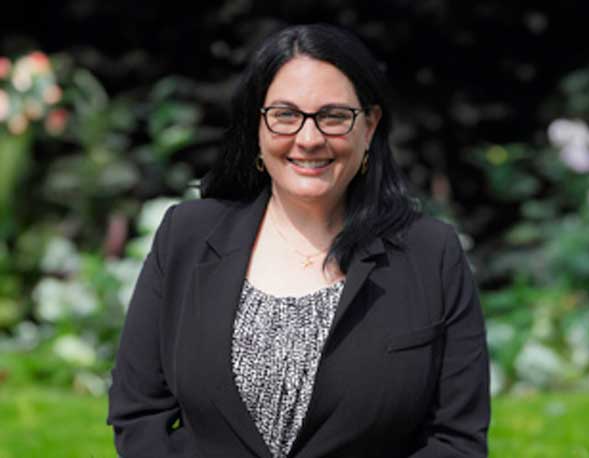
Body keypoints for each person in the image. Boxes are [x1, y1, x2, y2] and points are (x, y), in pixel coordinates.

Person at [107, 23, 490, 458]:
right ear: (257, 125)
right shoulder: (187, 235)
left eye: (333, 116)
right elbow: (139, 415)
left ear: (369, 126)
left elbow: (457, 440)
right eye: (286, 115)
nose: (309, 139)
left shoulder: (431, 253)